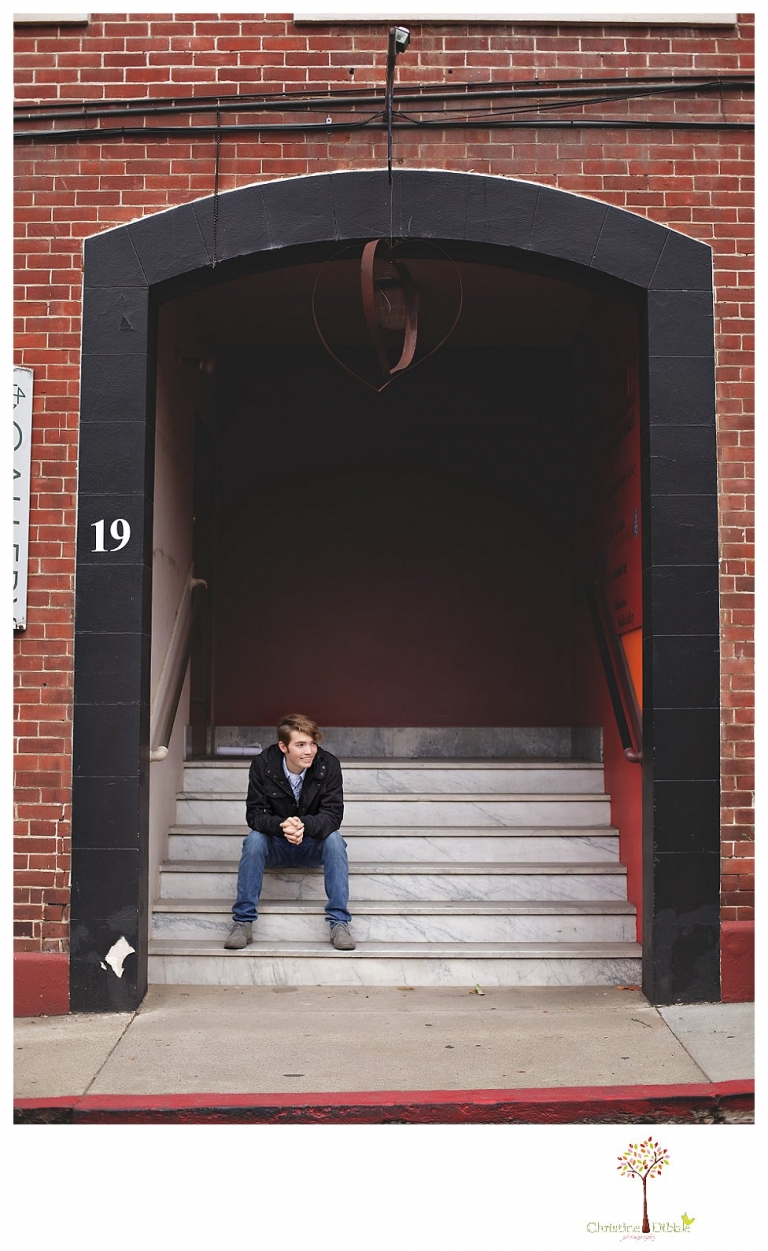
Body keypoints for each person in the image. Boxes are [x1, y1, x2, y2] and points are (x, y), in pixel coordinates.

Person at [224, 713, 355, 951]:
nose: (309, 751)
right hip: (277, 846)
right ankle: (242, 921)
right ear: (283, 746)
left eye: (313, 743)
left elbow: (333, 816)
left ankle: (339, 923)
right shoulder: (263, 765)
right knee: (254, 840)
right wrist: (282, 826)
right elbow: (254, 815)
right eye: (301, 745)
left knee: (335, 840)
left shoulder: (329, 765)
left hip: (310, 847)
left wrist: (303, 825)